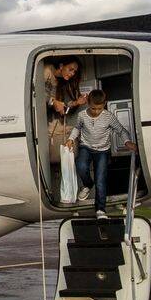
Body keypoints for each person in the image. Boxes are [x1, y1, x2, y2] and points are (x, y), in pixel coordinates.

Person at [70, 89, 137, 217]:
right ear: (88, 103)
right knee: (81, 166)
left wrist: (127, 141)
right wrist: (70, 139)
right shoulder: (82, 115)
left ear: (104, 104)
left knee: (100, 180)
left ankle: (100, 209)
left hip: (102, 151)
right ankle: (88, 184)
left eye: (99, 109)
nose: (96, 112)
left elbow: (121, 130)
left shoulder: (109, 117)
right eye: (93, 108)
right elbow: (77, 128)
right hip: (86, 147)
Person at [42, 57, 86, 201]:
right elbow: (36, 94)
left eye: (74, 71)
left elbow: (63, 109)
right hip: (47, 129)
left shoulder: (60, 83)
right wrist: (53, 101)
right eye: (70, 69)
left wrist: (76, 103)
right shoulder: (47, 71)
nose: (72, 73)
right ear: (61, 65)